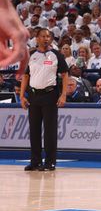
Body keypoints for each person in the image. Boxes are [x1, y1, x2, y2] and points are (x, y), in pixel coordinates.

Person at [19, 29, 68, 171]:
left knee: (50, 130)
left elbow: (65, 75)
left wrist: (63, 95)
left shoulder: (56, 55)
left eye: (48, 36)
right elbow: (26, 77)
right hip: (33, 96)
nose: (46, 39)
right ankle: (35, 161)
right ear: (37, 38)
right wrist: (22, 96)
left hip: (50, 94)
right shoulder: (31, 55)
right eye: (43, 36)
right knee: (34, 130)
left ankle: (50, 162)